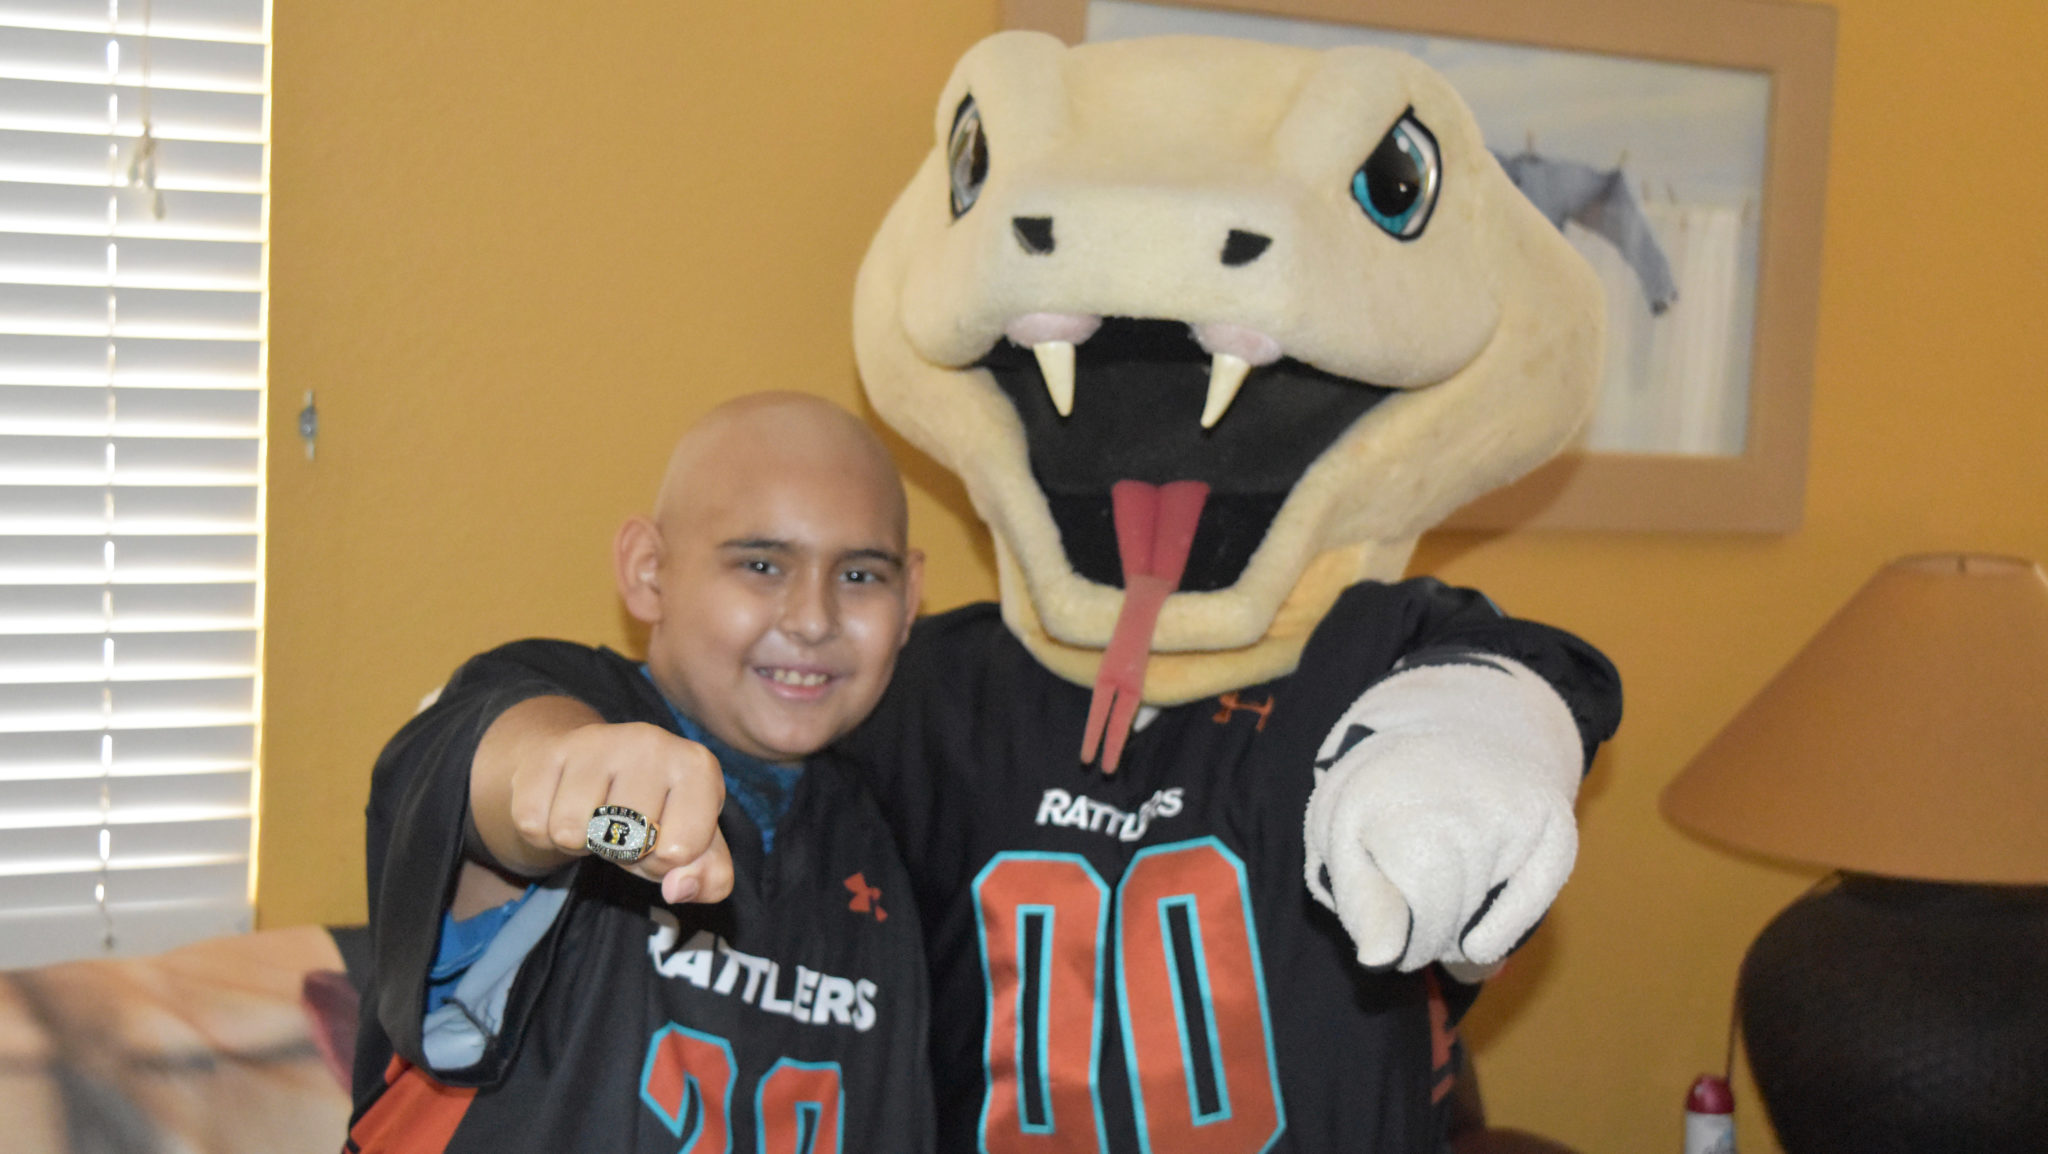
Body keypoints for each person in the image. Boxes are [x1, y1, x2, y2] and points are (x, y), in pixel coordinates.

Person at [346, 392, 934, 1153]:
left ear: (912, 598)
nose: (813, 618)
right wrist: (575, 783)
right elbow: (491, 768)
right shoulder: (567, 699)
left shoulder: (889, 822)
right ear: (648, 570)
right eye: (761, 564)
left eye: (860, 576)